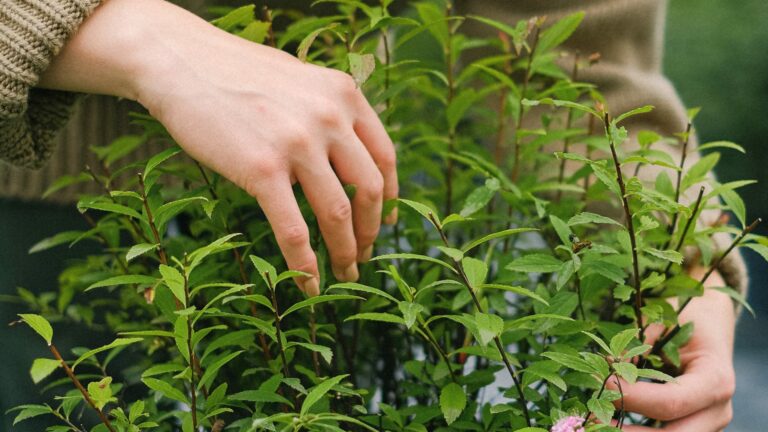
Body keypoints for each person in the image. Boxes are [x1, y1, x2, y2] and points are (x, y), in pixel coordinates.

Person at [0, 0, 743, 431]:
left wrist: (668, 248)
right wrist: (132, 35)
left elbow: (573, 49)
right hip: (39, 219)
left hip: (343, 230)